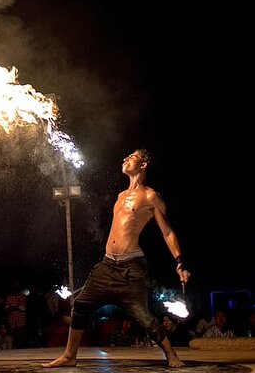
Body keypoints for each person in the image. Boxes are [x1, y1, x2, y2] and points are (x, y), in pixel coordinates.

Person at [43, 149, 191, 368]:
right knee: (81, 304)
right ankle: (69, 355)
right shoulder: (121, 196)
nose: (125, 159)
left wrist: (180, 262)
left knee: (142, 316)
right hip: (107, 265)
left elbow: (167, 232)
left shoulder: (151, 196)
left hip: (131, 268)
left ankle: (171, 354)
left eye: (131, 157)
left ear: (143, 165)